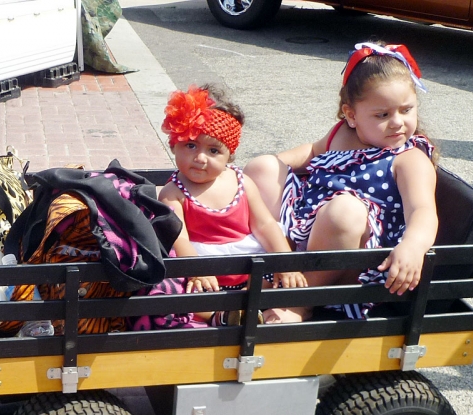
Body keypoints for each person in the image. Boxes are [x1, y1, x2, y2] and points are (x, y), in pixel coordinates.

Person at [244, 42, 439, 322]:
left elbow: (422, 211)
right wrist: (267, 167)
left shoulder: (409, 159)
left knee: (344, 211)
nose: (397, 122)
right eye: (382, 115)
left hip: (351, 255)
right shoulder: (340, 134)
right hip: (306, 231)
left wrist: (413, 246)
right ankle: (277, 264)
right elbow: (310, 152)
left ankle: (300, 300)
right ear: (351, 115)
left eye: (406, 110)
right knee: (262, 167)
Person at [158, 84, 307, 326]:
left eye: (213, 150)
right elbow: (180, 239)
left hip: (248, 268)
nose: (200, 157)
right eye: (190, 145)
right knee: (180, 291)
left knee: (276, 272)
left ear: (230, 155)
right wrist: (197, 269)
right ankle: (220, 316)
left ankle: (267, 309)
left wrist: (285, 262)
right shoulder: (173, 193)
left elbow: (266, 224)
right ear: (174, 144)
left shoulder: (242, 182)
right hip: (203, 270)